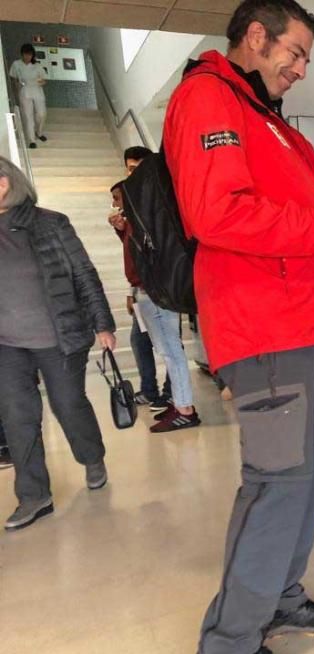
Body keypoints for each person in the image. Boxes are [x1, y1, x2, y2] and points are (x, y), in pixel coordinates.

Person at [163, 1, 314, 654]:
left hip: (300, 323)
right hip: (266, 328)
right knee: (277, 486)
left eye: (305, 59)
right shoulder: (207, 98)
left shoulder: (258, 112)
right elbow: (219, 212)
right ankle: (227, 650)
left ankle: (279, 599)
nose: (298, 69)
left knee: (306, 475)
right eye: (292, 52)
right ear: (254, 36)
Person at [0, 156, 115, 531]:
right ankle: (34, 496)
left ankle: (91, 456)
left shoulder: (50, 223)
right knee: (18, 418)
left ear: (5, 183)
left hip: (59, 338)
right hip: (7, 345)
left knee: (68, 405)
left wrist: (103, 322)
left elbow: (84, 273)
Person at [107, 147, 172, 409]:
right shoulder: (134, 205)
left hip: (160, 286)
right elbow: (134, 250)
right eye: (128, 168)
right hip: (142, 286)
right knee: (140, 340)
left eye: (135, 168)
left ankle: (172, 394)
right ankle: (153, 390)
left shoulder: (157, 202)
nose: (130, 174)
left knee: (168, 345)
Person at [8, 44, 47, 149]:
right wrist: (16, 90)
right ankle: (31, 140)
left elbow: (44, 79)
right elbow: (13, 78)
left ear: (32, 55)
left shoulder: (37, 66)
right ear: (22, 54)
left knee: (41, 114)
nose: (27, 57)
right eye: (25, 54)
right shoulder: (16, 64)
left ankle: (39, 132)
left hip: (37, 90)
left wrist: (40, 82)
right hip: (24, 91)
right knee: (27, 116)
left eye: (29, 54)